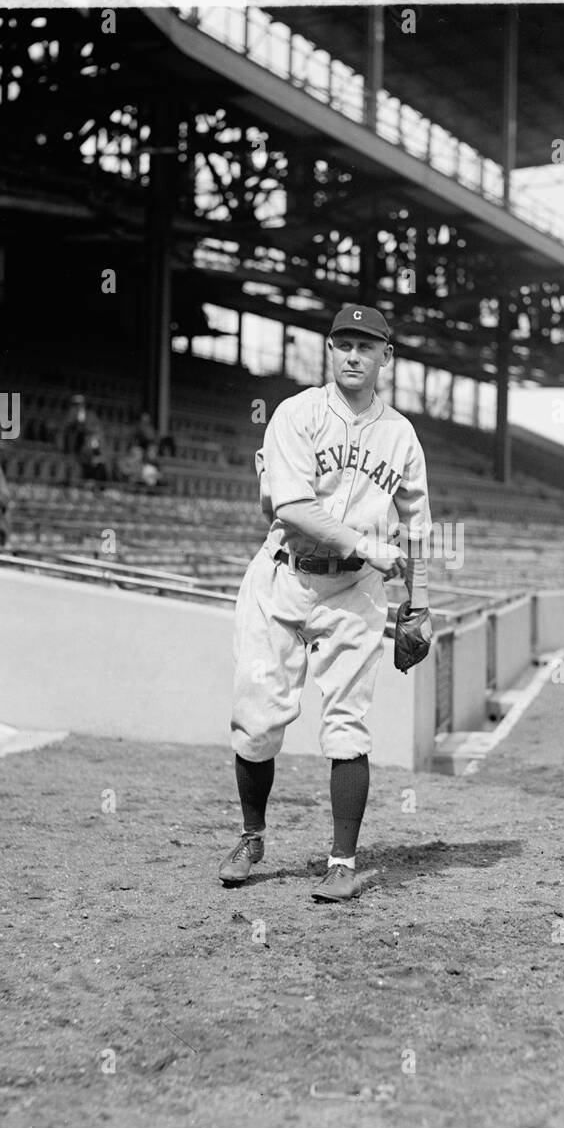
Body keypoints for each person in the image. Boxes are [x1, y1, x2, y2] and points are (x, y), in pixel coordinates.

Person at [220, 304, 433, 903]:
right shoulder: (296, 414)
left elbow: (416, 526)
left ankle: (342, 862)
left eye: (367, 346)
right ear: (329, 350)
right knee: (258, 718)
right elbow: (290, 508)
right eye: (344, 344)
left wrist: (418, 604)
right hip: (282, 577)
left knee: (347, 723)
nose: (354, 355)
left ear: (386, 357)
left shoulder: (402, 436)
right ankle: (252, 834)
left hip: (354, 590)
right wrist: (368, 543)